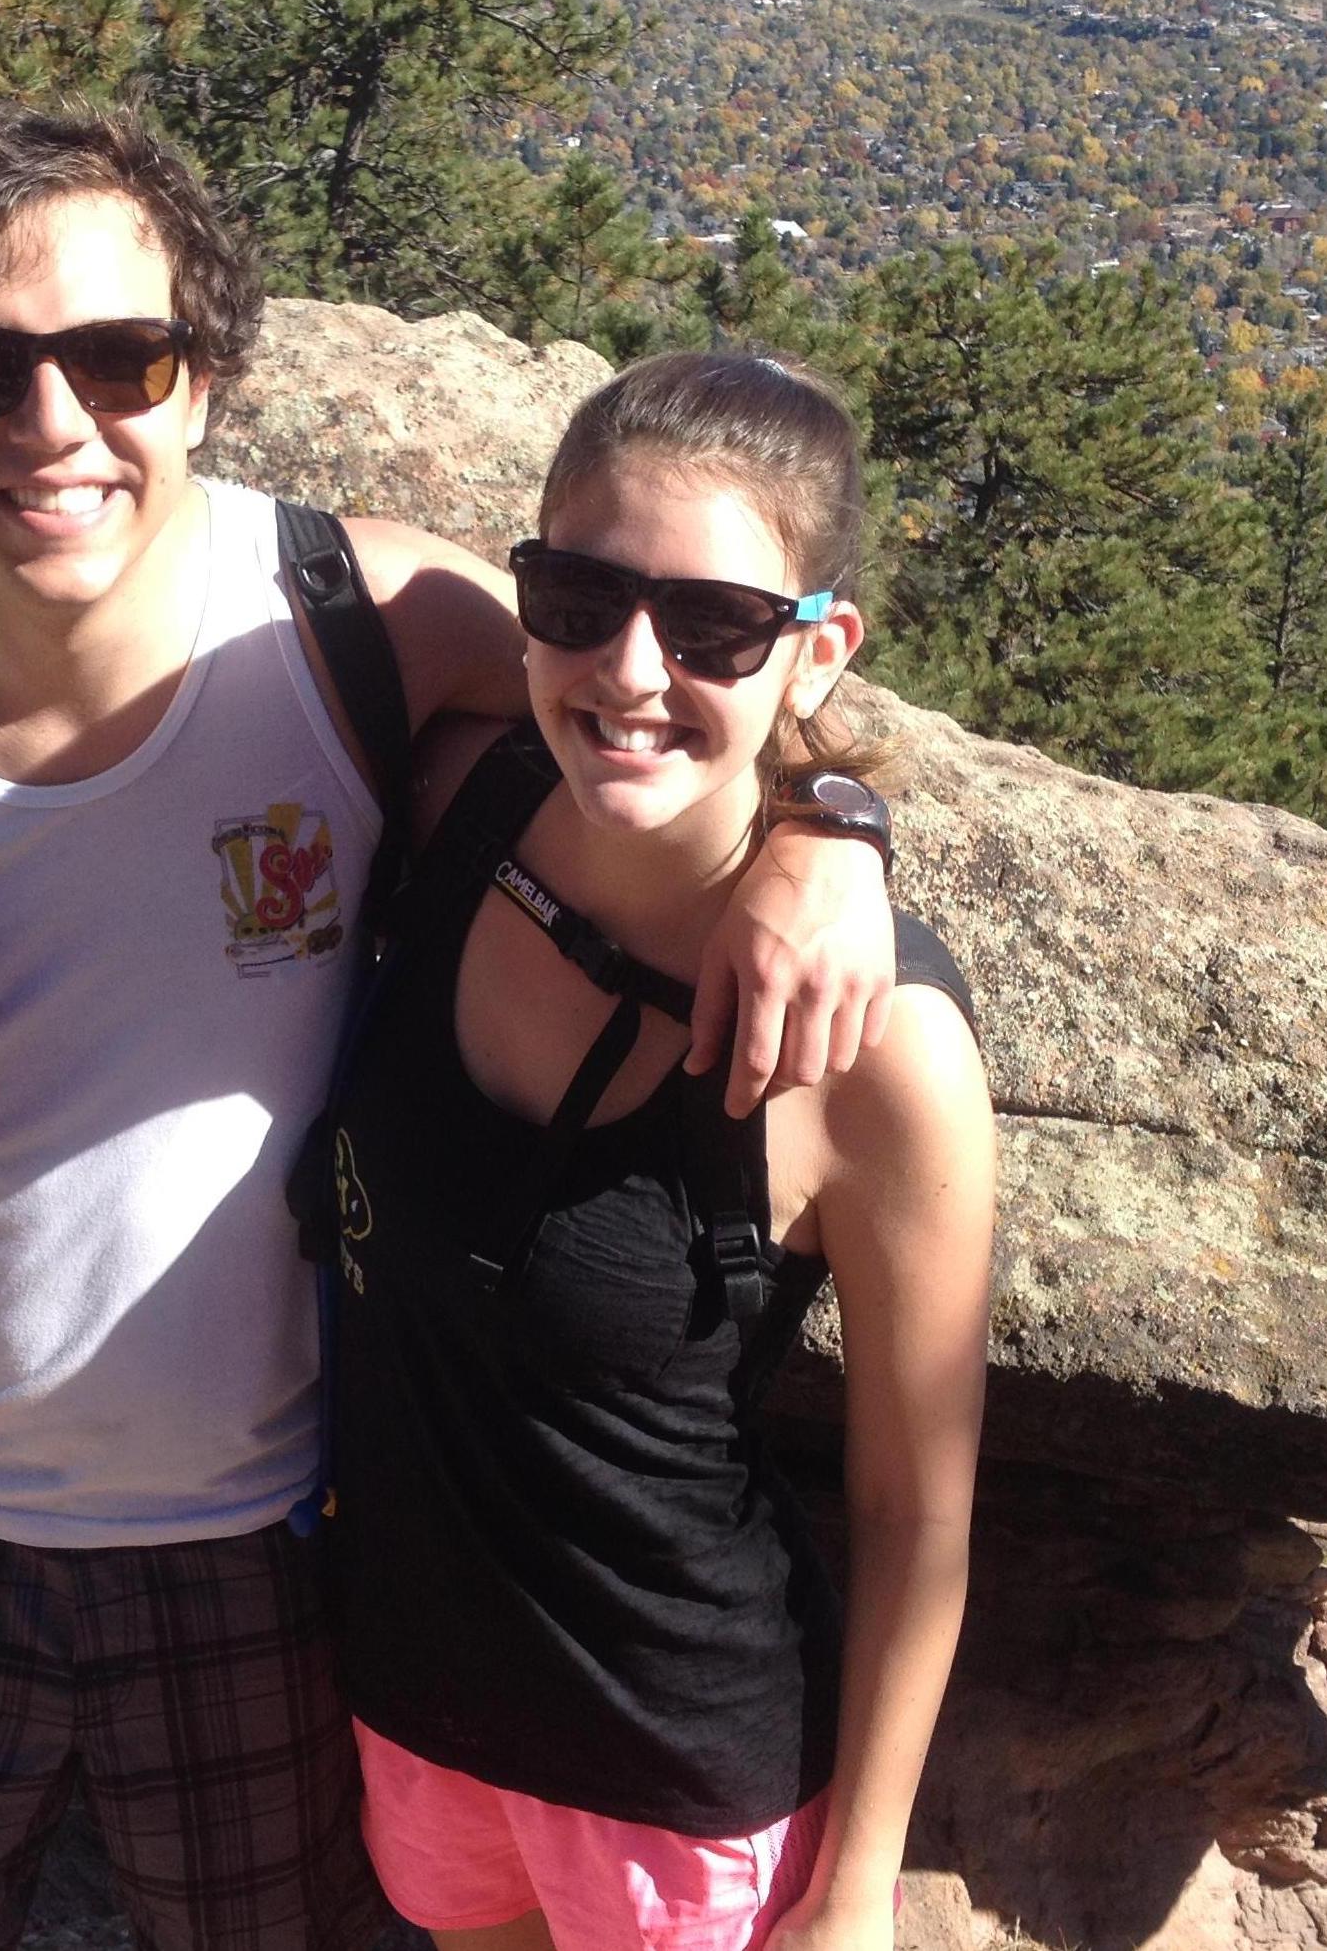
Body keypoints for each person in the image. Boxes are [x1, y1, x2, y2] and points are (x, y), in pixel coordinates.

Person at [0, 105, 899, 1951]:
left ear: (206, 374)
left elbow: (661, 688)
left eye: (121, 357)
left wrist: (837, 831)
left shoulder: (355, 617)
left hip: (260, 1536)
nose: (53, 425)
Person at [319, 352, 996, 1951]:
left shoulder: (879, 1047)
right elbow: (220, 542)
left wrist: (855, 1895)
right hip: (417, 1713)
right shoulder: (457, 810)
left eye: (711, 628)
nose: (628, 669)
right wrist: (838, 809)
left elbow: (918, 1510)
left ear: (815, 647)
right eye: (575, 595)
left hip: (676, 1792)